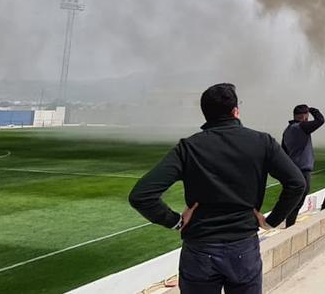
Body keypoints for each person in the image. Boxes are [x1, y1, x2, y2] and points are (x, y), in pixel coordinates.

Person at [129, 83, 306, 293]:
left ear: (205, 114)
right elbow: (297, 183)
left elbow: (141, 195)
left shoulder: (188, 147)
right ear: (236, 111)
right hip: (243, 247)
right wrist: (271, 221)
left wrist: (175, 221)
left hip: (200, 249)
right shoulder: (262, 142)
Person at [280, 104, 325, 227]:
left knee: (295, 198)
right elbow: (320, 120)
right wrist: (312, 110)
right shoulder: (301, 127)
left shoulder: (287, 130)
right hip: (302, 168)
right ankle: (290, 225)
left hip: (293, 167)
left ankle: (289, 223)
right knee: (298, 199)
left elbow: (284, 151)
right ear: (304, 116)